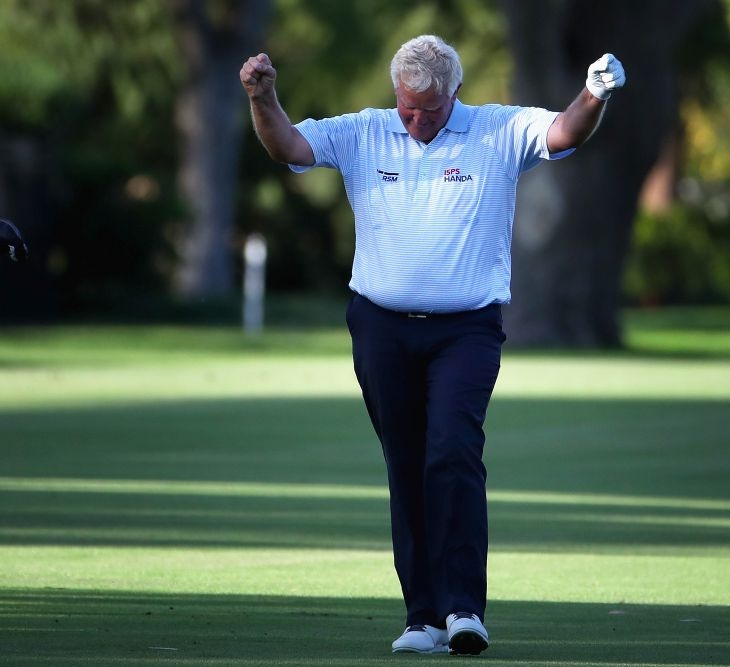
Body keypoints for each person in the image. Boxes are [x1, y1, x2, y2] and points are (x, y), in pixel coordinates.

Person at [240, 34, 625, 655]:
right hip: (380, 325)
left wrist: (593, 93)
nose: (416, 121)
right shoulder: (366, 131)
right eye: (407, 108)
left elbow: (563, 134)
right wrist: (264, 97)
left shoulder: (496, 130)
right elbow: (289, 144)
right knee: (407, 463)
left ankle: (464, 610)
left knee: (452, 451)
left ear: (455, 94)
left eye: (429, 110)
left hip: (465, 329)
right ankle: (422, 616)